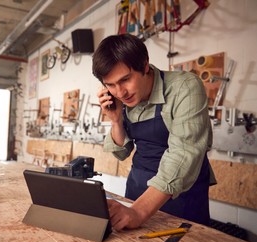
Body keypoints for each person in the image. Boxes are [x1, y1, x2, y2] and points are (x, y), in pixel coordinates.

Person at [92, 34, 216, 231]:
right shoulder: (123, 99)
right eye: (111, 85)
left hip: (181, 193)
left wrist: (138, 212)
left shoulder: (185, 87)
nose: (120, 92)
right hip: (138, 189)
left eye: (125, 79)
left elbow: (183, 154)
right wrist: (115, 119)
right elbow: (121, 153)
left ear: (145, 65)